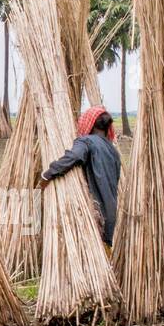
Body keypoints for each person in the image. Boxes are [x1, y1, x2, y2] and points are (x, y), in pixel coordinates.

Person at [40, 105, 121, 246]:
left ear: (89, 123)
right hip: (110, 212)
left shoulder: (87, 141)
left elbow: (74, 156)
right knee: (103, 253)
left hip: (95, 213)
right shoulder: (112, 150)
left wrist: (48, 174)